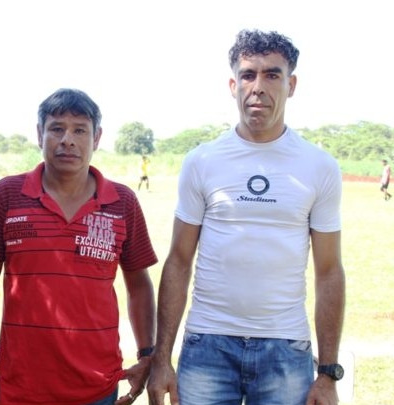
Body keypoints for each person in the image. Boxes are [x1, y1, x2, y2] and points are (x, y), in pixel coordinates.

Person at [147, 29, 346, 405]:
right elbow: (178, 260)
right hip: (207, 345)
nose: (258, 87)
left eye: (272, 75)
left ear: (291, 85)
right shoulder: (202, 161)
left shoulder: (319, 166)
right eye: (248, 75)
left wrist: (328, 373)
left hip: (285, 349)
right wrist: (161, 360)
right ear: (232, 85)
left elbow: (329, 271)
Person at [0, 88, 158, 405]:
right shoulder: (7, 194)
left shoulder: (122, 202)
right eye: (57, 128)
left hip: (98, 385)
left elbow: (138, 284)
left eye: (80, 130)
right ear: (39, 134)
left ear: (96, 138)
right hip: (22, 384)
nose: (67, 140)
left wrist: (147, 353)